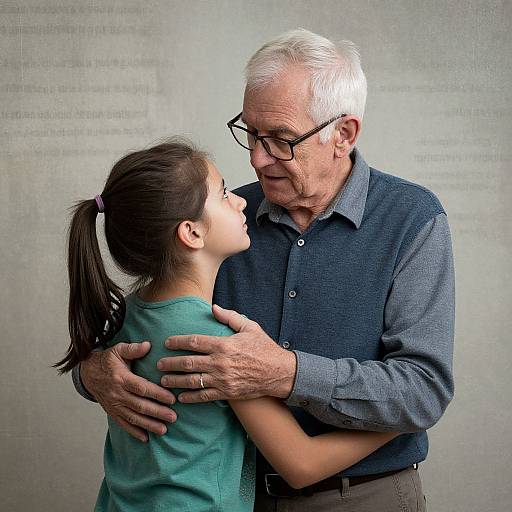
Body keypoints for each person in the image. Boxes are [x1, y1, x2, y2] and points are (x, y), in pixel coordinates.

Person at [73, 29, 455, 511]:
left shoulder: (412, 220)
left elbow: (424, 390)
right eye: (250, 133)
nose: (256, 159)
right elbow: (131, 346)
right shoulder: (224, 224)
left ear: (344, 135)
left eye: (279, 140)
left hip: (362, 498)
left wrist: (288, 374)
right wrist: (91, 375)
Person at [57, 139, 399, 511]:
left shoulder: (126, 316)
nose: (240, 201)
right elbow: (302, 464)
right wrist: (401, 422)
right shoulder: (218, 345)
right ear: (191, 233)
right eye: (222, 194)